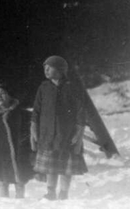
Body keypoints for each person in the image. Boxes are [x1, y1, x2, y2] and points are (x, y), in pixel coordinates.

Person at [31, 55, 87, 201]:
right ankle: (50, 192)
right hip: (47, 135)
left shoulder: (72, 87)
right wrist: (34, 129)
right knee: (51, 167)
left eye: (50, 67)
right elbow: (36, 111)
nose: (46, 70)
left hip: (67, 135)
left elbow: (81, 112)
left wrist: (78, 134)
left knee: (66, 168)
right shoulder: (44, 87)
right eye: (45, 67)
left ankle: (63, 193)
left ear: (60, 69)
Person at [0, 80, 33, 198]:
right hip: (1, 153)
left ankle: (20, 202)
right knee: (3, 180)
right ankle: (4, 203)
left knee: (20, 179)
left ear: (10, 95)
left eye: (2, 94)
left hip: (19, 152)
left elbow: (28, 134)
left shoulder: (22, 113)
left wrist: (29, 150)